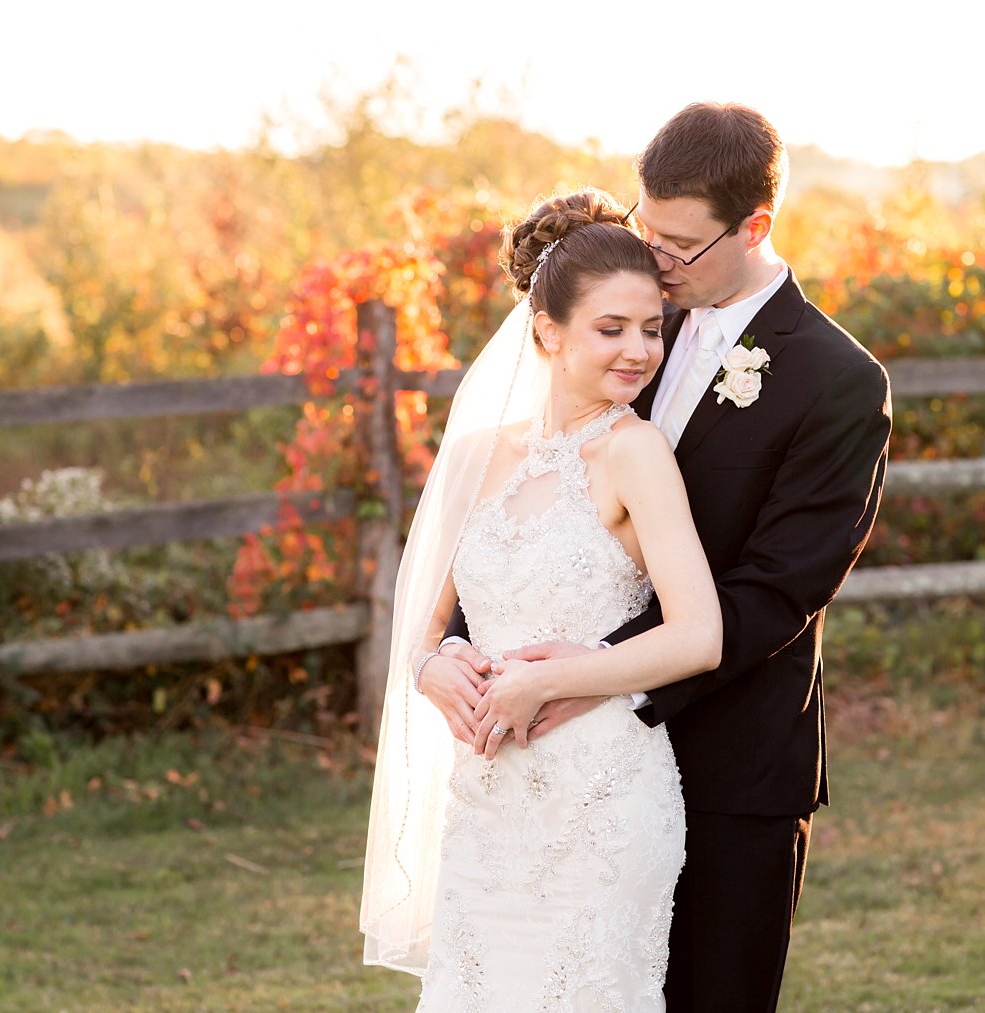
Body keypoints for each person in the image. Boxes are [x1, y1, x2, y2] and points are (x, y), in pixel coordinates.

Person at [438, 102, 893, 1010]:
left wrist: (596, 677)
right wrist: (457, 641)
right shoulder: (632, 313)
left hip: (733, 765)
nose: (656, 259)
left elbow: (775, 592)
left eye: (680, 244)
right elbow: (530, 499)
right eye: (648, 230)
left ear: (755, 226)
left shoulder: (839, 382)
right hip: (549, 764)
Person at [360, 189, 723, 1009]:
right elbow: (427, 614)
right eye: (612, 328)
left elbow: (700, 635)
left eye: (651, 328)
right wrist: (431, 663)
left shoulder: (636, 452)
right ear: (547, 332)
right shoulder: (478, 456)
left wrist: (553, 679)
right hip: (489, 801)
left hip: (602, 800)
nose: (639, 351)